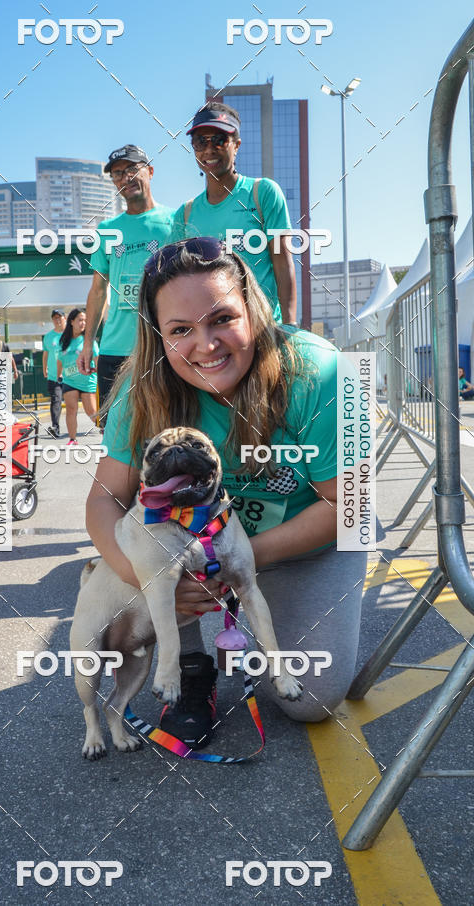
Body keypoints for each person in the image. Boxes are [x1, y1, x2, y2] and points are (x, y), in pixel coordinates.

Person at [87, 238, 366, 748]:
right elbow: (104, 501)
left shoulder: (321, 372)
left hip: (303, 540)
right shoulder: (140, 388)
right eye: (180, 330)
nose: (206, 344)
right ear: (158, 336)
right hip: (186, 550)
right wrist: (145, 576)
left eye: (222, 319)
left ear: (254, 311)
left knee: (311, 699)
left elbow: (348, 508)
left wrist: (231, 563)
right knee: (140, 533)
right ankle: (194, 668)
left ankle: (317, 630)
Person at [171, 100, 298, 326]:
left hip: (263, 330)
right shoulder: (185, 214)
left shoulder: (263, 193)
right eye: (200, 142)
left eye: (219, 140)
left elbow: (283, 263)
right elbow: (176, 281)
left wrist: (289, 327)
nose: (209, 149)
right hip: (212, 338)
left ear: (236, 145)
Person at [77, 144, 174, 408]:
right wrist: (88, 345)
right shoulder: (107, 229)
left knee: (164, 434)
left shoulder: (175, 222)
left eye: (132, 169)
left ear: (150, 171)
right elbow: (98, 290)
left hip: (162, 348)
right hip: (115, 350)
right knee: (114, 437)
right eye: (118, 174)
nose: (125, 178)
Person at [56, 309, 99, 445]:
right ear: (72, 322)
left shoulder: (89, 341)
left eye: (85, 320)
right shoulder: (63, 341)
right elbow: (59, 360)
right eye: (80, 320)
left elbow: (97, 360)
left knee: (92, 412)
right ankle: (72, 439)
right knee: (71, 409)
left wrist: (99, 374)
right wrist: (58, 376)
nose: (83, 323)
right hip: (69, 381)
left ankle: (106, 431)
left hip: (88, 382)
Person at [43, 309, 67, 437]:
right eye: (55, 318)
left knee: (73, 403)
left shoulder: (71, 334)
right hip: (54, 376)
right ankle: (55, 427)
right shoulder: (48, 337)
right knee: (56, 400)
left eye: (60, 317)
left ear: (65, 318)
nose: (57, 320)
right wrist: (44, 368)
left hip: (70, 376)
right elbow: (46, 354)